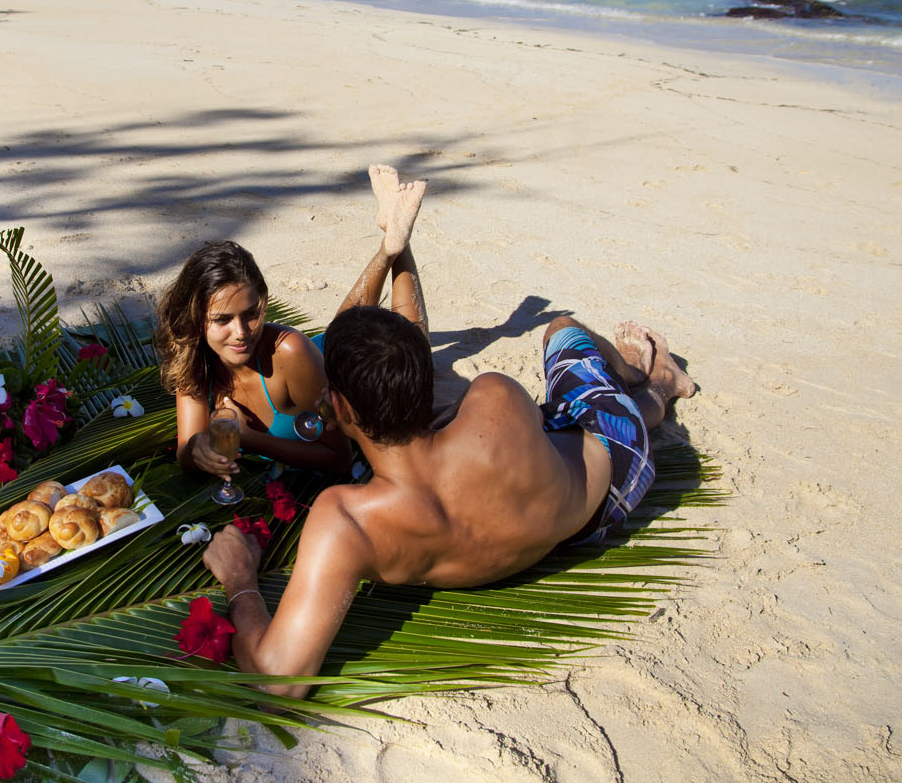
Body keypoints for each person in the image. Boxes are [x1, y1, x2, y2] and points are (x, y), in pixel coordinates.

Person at [202, 300, 698, 698]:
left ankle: (654, 382)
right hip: (604, 490)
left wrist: (240, 578)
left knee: (581, 371)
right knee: (567, 341)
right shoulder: (495, 396)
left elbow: (277, 680)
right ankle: (641, 384)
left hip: (586, 479)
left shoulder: (348, 521)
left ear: (341, 404)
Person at [155, 164, 429, 479]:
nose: (241, 332)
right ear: (195, 319)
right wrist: (196, 451)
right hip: (319, 360)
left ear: (264, 302)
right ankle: (389, 242)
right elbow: (186, 451)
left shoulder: (289, 352)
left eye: (252, 313)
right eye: (222, 320)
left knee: (409, 349)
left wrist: (250, 437)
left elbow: (339, 460)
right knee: (342, 332)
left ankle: (397, 244)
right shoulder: (191, 358)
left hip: (329, 368)